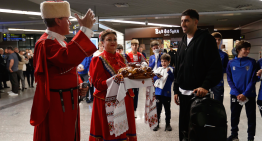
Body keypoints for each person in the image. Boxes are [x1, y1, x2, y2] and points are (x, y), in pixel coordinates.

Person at [30, 1, 97, 141]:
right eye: (67, 19)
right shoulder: (45, 42)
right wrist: (84, 29)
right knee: (59, 134)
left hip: (67, 97)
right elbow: (66, 59)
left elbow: (67, 69)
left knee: (68, 132)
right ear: (58, 20)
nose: (70, 23)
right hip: (57, 101)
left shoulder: (60, 41)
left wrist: (78, 84)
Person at [173, 9, 222, 141]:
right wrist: (175, 89)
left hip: (198, 95)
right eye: (182, 21)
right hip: (183, 95)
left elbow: (215, 67)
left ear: (196, 21)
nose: (183, 23)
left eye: (186, 20)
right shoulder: (183, 41)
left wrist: (205, 86)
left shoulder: (206, 39)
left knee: (198, 130)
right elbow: (178, 67)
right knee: (183, 128)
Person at [89, 30, 137, 141]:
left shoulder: (124, 58)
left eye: (114, 39)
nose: (113, 42)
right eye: (109, 39)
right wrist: (113, 80)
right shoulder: (98, 59)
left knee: (126, 131)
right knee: (110, 132)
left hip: (125, 98)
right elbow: (97, 84)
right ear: (102, 43)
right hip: (107, 100)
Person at [227, 41, 257, 141]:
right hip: (235, 95)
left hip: (249, 94)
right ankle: (234, 134)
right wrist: (237, 93)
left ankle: (250, 137)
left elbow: (253, 79)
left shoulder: (252, 62)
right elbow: (229, 79)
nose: (248, 51)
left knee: (251, 117)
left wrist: (245, 93)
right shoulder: (231, 63)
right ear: (239, 50)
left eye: (249, 49)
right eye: (245, 49)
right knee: (234, 116)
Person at [153, 54, 174, 131]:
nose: (163, 63)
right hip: (158, 93)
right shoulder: (158, 69)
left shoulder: (171, 69)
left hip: (166, 93)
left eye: (165, 61)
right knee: (158, 109)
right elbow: (154, 78)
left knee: (167, 109)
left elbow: (172, 79)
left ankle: (168, 124)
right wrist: (156, 77)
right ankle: (157, 123)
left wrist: (169, 73)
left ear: (169, 62)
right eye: (162, 61)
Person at [127, 39, 146, 115]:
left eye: (136, 45)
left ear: (138, 46)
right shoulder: (128, 55)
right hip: (129, 78)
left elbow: (144, 63)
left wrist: (143, 66)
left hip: (137, 78)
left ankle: (134, 110)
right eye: (133, 45)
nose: (134, 46)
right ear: (131, 46)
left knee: (136, 94)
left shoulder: (140, 55)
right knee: (129, 93)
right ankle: (130, 109)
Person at [210, 32, 229, 103]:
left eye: (219, 40)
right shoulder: (205, 53)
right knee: (206, 104)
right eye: (215, 39)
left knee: (218, 104)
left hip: (218, 83)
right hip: (206, 83)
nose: (217, 41)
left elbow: (226, 68)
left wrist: (218, 70)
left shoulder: (224, 55)